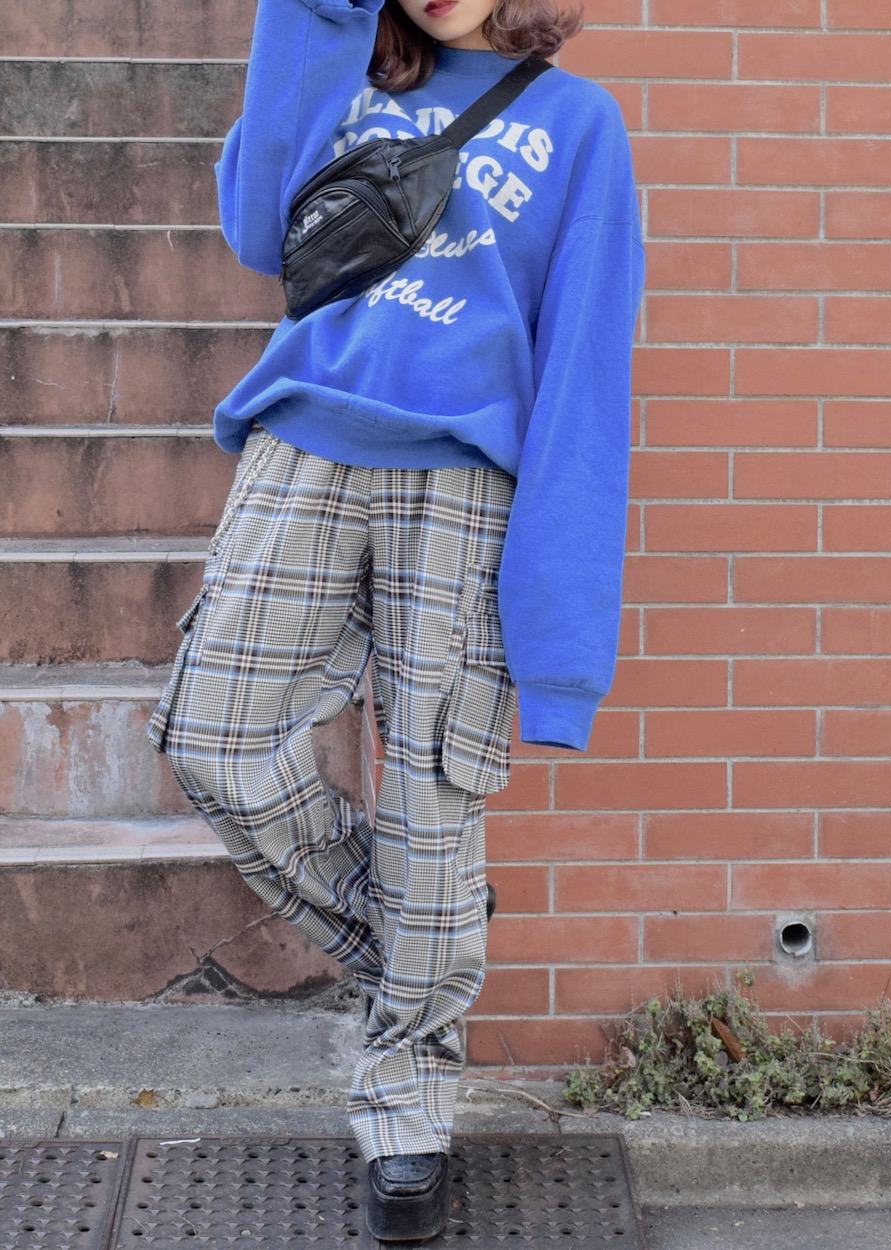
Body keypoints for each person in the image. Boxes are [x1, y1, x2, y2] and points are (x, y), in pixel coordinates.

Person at [148, 0, 644, 1238]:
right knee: (211, 735)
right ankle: (420, 943)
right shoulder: (338, 62)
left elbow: (585, 371)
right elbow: (257, 228)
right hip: (303, 442)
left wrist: (563, 644)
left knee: (433, 791)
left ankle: (407, 1109)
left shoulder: (579, 123)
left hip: (465, 482)